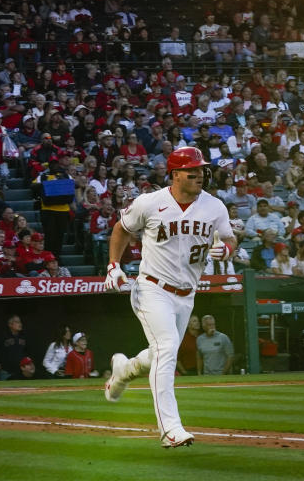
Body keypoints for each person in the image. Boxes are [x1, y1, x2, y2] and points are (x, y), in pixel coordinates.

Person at [103, 146, 236, 448]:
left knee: (161, 352)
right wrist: (113, 266)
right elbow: (121, 229)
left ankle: (125, 370)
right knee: (167, 346)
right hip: (152, 287)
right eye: (193, 170)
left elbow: (229, 237)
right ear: (175, 175)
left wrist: (227, 249)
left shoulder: (214, 206)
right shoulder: (151, 202)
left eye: (202, 169)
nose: (200, 174)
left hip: (186, 295)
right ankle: (170, 428)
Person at [0, 314, 28, 380]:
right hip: (6, 371)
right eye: (17, 322)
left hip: (20, 371)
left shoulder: (24, 337)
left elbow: (27, 352)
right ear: (10, 325)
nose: (20, 324)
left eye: (20, 322)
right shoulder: (3, 336)